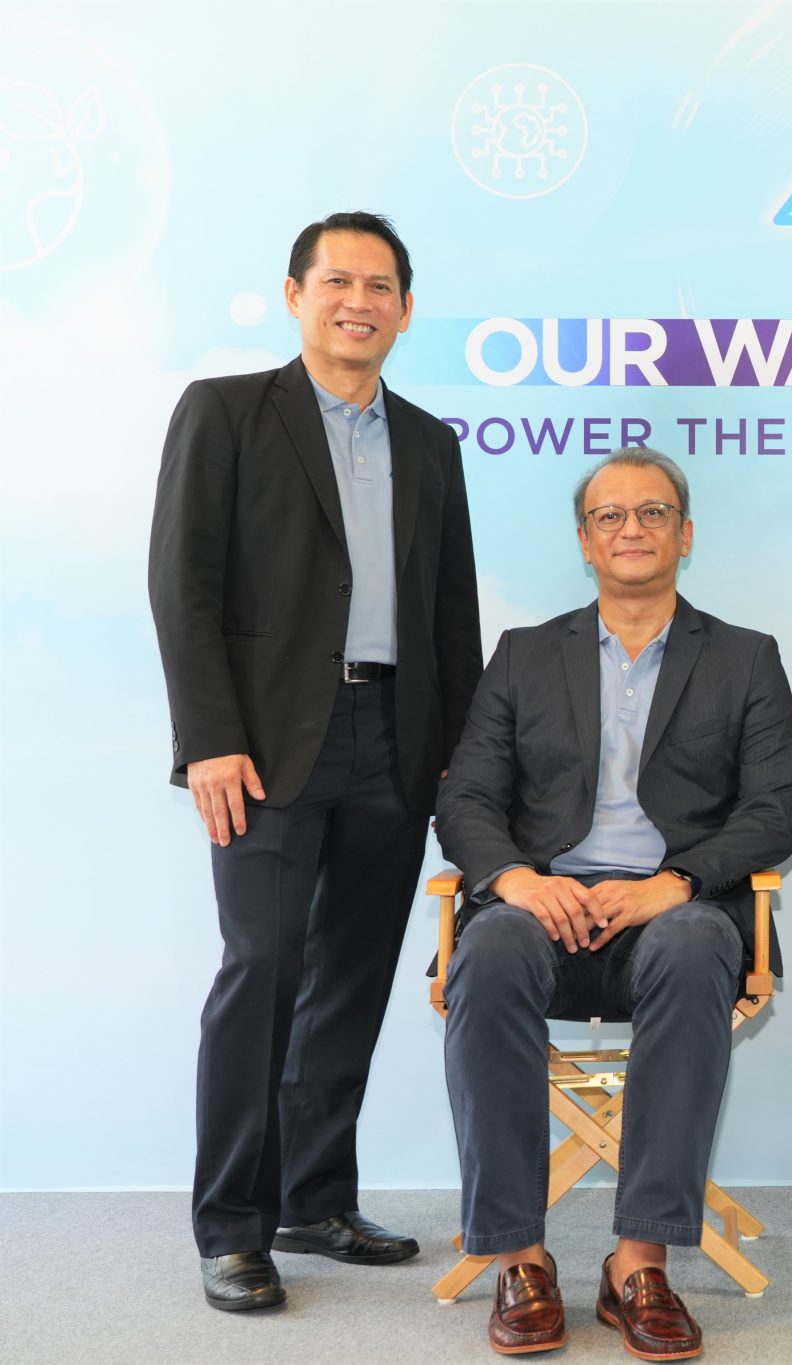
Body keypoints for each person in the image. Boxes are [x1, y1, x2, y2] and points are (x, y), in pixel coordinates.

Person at [148, 211, 482, 1312]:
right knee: (262, 973)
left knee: (351, 977)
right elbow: (182, 586)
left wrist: (459, 759)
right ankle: (232, 1228)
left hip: (396, 740)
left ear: (405, 308)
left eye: (379, 286)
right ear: (295, 295)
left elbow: (451, 616)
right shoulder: (226, 412)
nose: (358, 302)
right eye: (337, 281)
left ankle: (314, 1197)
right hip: (264, 745)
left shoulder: (430, 442)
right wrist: (208, 738)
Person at [436, 448, 792, 1359]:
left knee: (693, 943)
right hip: (542, 909)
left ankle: (639, 1265)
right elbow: (466, 798)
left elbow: (776, 809)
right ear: (584, 540)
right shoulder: (524, 654)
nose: (631, 529)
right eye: (610, 515)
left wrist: (674, 884)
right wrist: (518, 880)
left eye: (652, 512)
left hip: (674, 914)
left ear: (685, 533)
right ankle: (519, 1259)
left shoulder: (746, 657)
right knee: (488, 948)